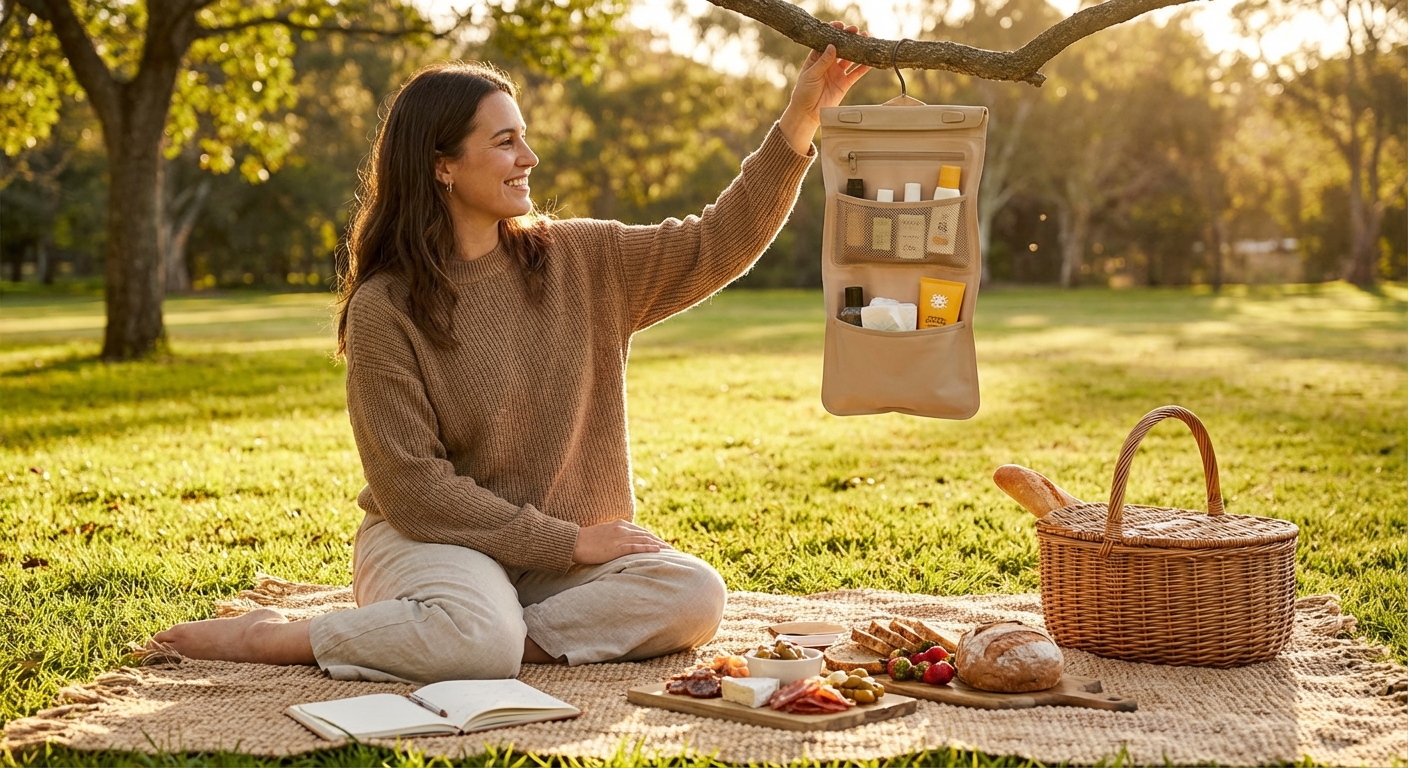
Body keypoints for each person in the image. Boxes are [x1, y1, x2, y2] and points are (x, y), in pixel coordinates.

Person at [152, 26, 870, 683]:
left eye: (522, 137)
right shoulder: (386, 308)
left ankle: (476, 637)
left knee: (693, 592)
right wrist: (567, 542)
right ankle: (279, 637)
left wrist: (803, 114)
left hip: (555, 559)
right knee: (481, 634)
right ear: (441, 166)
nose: (528, 157)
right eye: (504, 142)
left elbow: (718, 241)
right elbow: (413, 488)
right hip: (432, 543)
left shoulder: (581, 260)